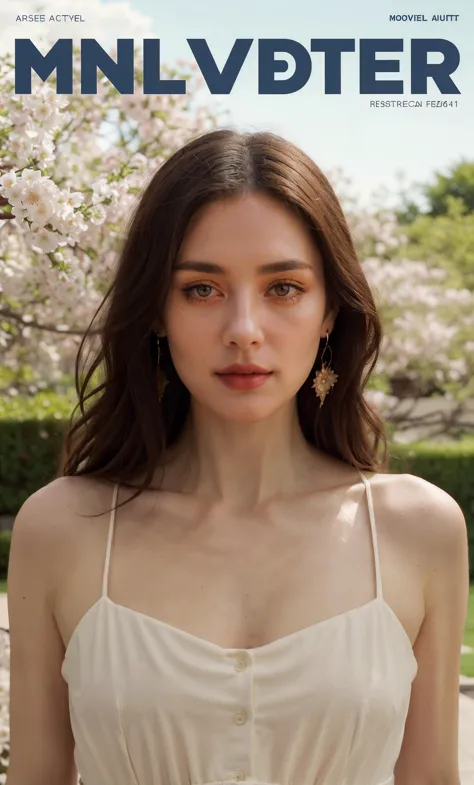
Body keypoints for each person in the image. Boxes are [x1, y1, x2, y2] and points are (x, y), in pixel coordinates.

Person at [6, 129, 469, 785]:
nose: (244, 329)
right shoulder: (63, 529)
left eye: (283, 287)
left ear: (330, 309)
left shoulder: (418, 529)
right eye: (202, 288)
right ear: (158, 310)